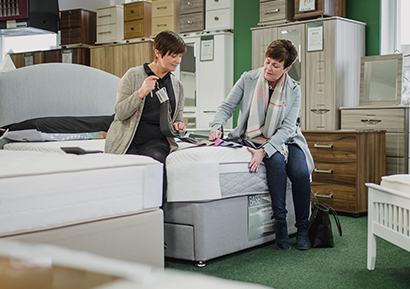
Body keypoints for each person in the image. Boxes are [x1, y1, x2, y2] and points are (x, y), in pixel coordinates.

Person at [208, 39, 314, 251]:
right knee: (275, 162)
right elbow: (227, 106)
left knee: (301, 172)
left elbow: (286, 128)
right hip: (254, 136)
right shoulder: (248, 78)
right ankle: (281, 225)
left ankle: (303, 228)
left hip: (286, 138)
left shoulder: (294, 89)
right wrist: (217, 125)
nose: (269, 68)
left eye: (276, 65)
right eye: (267, 62)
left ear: (287, 68)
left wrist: (263, 151)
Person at [105, 30, 186, 163]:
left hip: (156, 141)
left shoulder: (178, 86)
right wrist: (140, 93)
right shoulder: (133, 75)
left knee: (155, 158)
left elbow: (178, 119)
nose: (177, 61)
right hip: (128, 140)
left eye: (180, 56)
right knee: (127, 165)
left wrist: (179, 125)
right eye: (173, 56)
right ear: (157, 53)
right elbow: (120, 113)